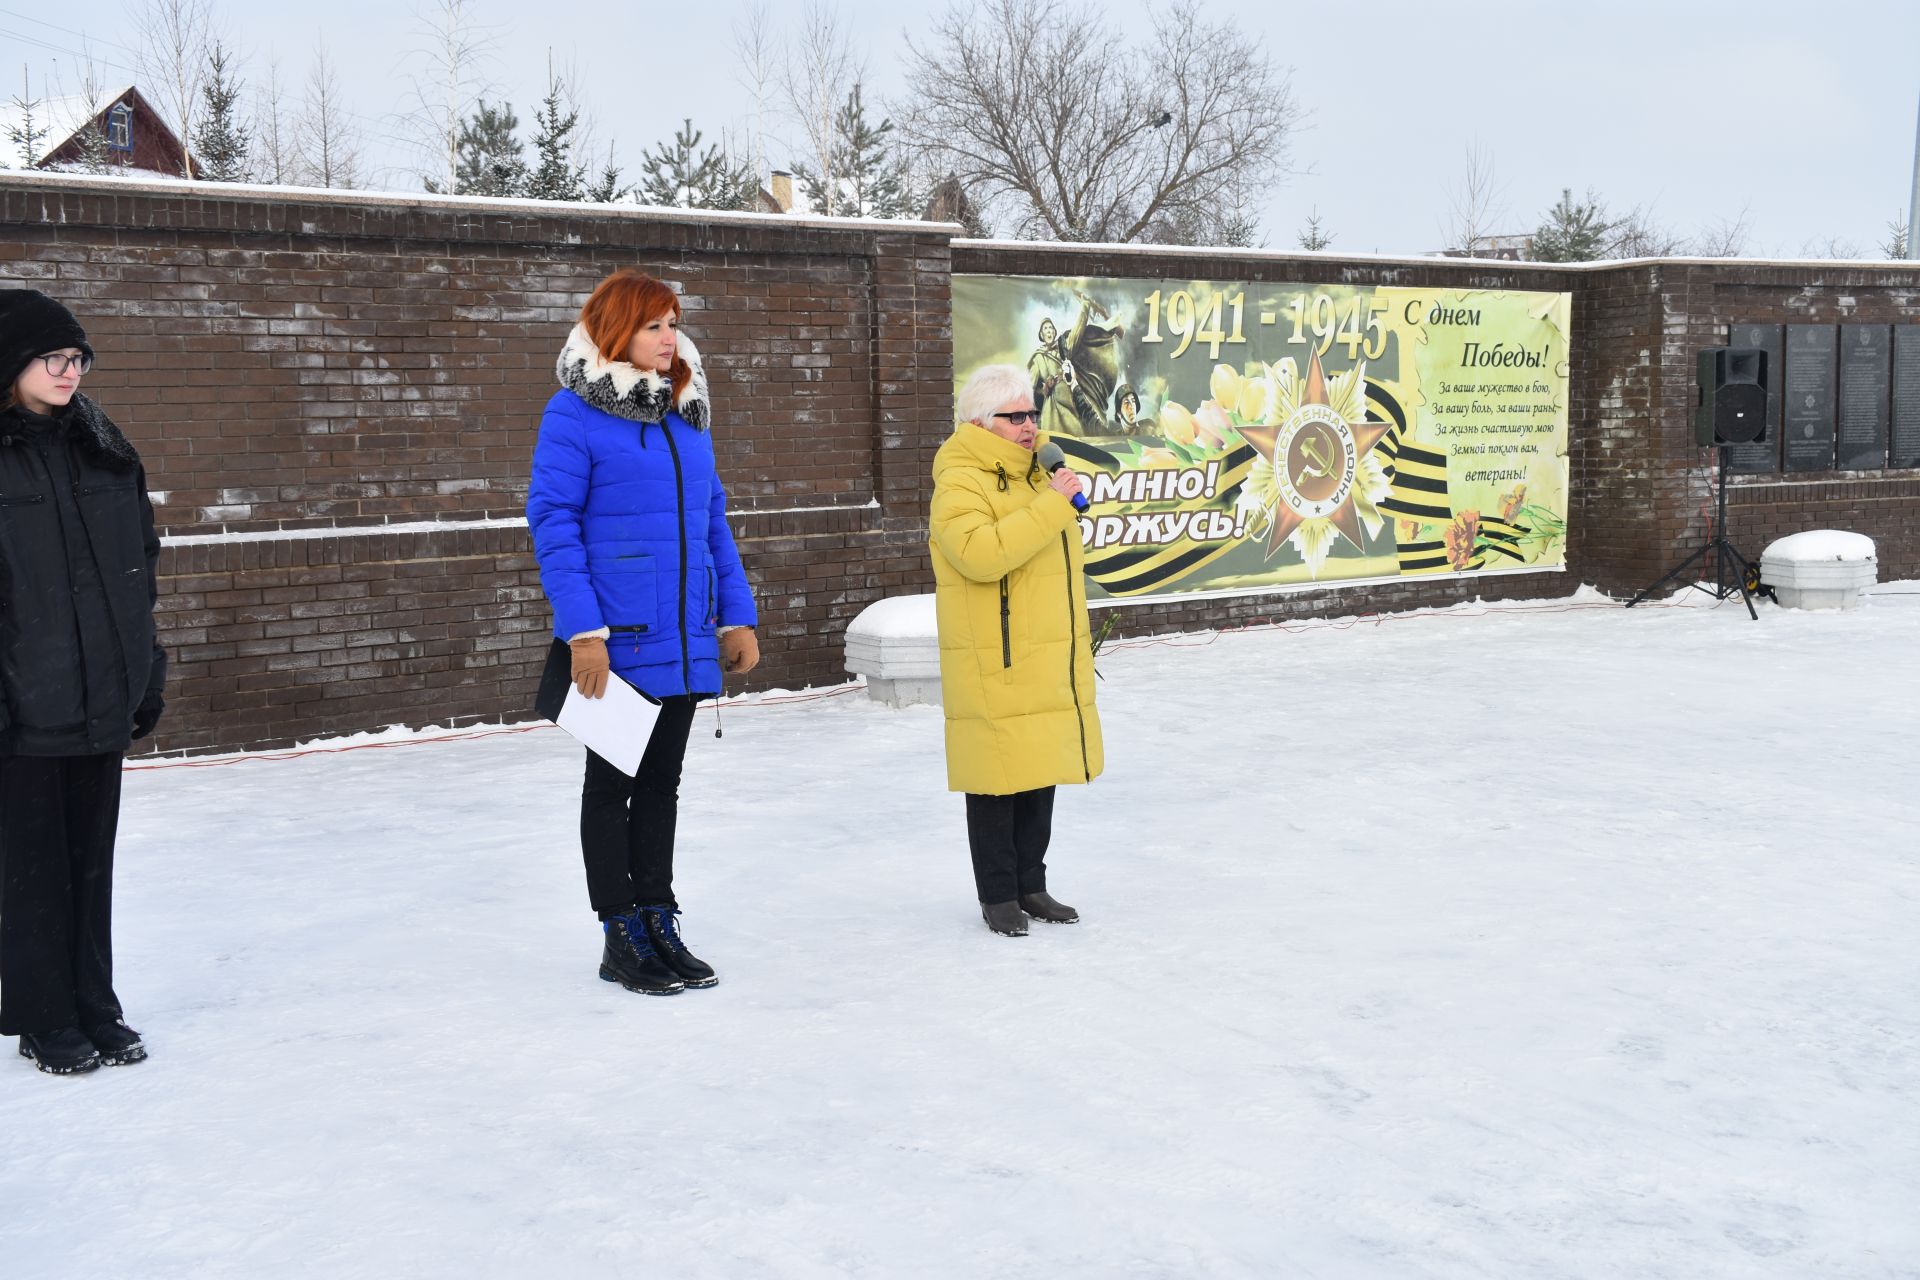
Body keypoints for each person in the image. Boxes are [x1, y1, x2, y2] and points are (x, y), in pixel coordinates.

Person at [527, 270, 759, 995]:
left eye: (674, 323)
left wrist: (737, 613)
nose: (670, 337)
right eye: (655, 325)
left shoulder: (687, 415)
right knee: (612, 785)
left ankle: (658, 915)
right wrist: (583, 632)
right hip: (620, 638)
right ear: (616, 329)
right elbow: (553, 522)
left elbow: (713, 522)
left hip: (686, 634)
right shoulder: (573, 415)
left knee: (663, 785)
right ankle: (619, 930)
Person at [0, 290, 164, 1075]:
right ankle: (42, 1014)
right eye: (51, 358)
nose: (69, 371)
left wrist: (147, 669)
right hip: (23, 704)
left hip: (102, 696)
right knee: (32, 871)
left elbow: (143, 569)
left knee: (89, 865)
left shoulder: (104, 446)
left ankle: (94, 1002)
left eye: (76, 359)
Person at [929, 364, 1104, 936]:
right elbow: (979, 554)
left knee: (1039, 769)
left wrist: (1054, 498)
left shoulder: (1039, 474)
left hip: (1044, 650)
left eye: (1033, 414)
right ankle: (998, 893)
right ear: (982, 423)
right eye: (1015, 417)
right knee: (996, 777)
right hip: (992, 655)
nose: (1030, 427)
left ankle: (1033, 884)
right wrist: (1054, 505)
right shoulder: (959, 479)